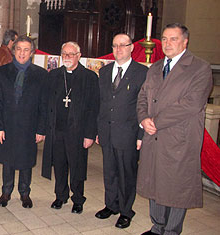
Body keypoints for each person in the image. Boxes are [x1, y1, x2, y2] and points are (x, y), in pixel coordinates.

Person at [137, 23, 213, 235]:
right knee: (155, 183)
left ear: (185, 41)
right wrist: (143, 118)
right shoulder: (155, 67)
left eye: (174, 39)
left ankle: (171, 230)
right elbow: (143, 96)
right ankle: (157, 226)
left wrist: (156, 121)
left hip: (179, 139)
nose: (168, 43)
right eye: (165, 38)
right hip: (153, 137)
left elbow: (192, 103)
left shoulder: (199, 68)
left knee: (177, 187)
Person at [95, 33, 148, 229]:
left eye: (123, 45)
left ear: (132, 47)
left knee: (126, 174)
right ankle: (111, 205)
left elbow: (145, 106)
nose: (118, 49)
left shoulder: (142, 73)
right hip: (107, 131)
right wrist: (98, 130)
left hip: (129, 133)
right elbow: (101, 103)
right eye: (115, 45)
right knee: (109, 172)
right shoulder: (104, 71)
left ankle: (126, 211)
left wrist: (141, 135)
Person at [41, 41, 99, 214]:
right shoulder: (54, 75)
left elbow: (93, 108)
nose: (67, 57)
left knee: (77, 167)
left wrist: (90, 134)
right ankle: (60, 196)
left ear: (79, 56)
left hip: (78, 131)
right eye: (64, 54)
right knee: (59, 165)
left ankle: (78, 199)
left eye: (71, 54)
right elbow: (46, 104)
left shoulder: (89, 77)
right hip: (57, 129)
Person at [0, 36, 48, 209]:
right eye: (19, 49)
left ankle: (25, 193)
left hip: (29, 125)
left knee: (26, 161)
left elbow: (43, 105)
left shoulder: (41, 74)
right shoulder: (2, 72)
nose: (22, 53)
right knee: (8, 161)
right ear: (13, 50)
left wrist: (41, 129)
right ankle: (6, 192)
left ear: (32, 52)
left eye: (26, 50)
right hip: (7, 125)